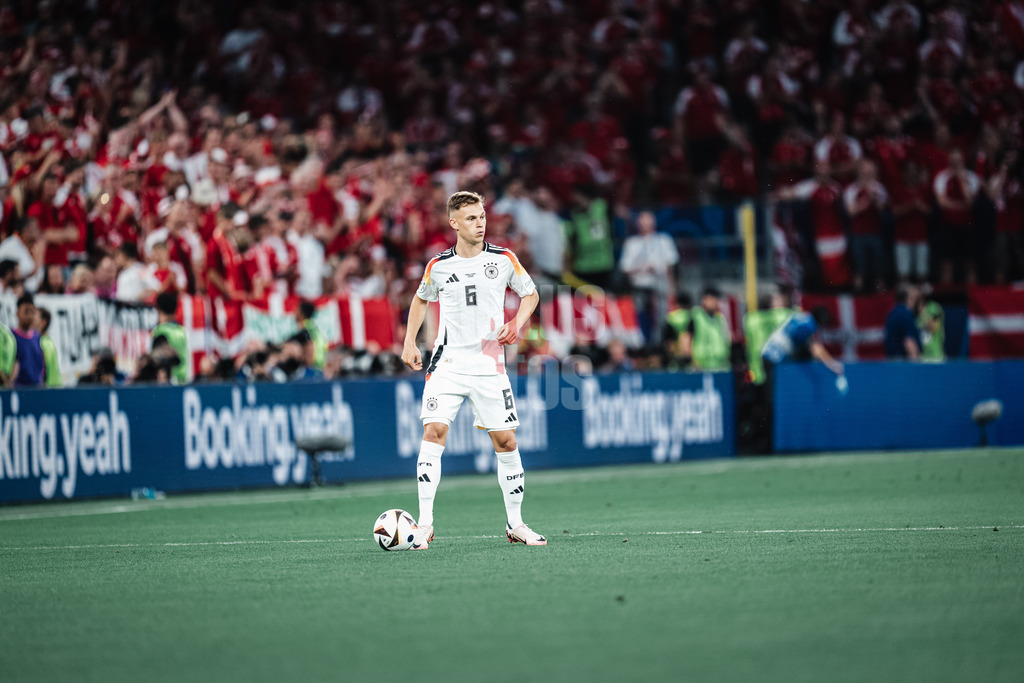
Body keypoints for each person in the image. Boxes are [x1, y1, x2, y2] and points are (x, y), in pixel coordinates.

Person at [401, 190, 545, 548]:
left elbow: (531, 294)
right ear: (454, 223)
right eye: (470, 218)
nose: (479, 223)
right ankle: (424, 525)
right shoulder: (438, 265)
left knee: (506, 441)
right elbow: (420, 299)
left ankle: (516, 524)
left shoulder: (504, 259)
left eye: (481, 217)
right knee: (433, 433)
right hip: (447, 363)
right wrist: (408, 342)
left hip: (488, 363)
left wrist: (518, 322)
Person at [618, 211, 678, 347]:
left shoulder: (664, 240)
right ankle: (643, 347)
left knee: (661, 319)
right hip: (639, 286)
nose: (646, 224)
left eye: (648, 221)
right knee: (640, 319)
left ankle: (659, 346)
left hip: (660, 286)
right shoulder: (632, 243)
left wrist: (672, 289)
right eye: (642, 221)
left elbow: (670, 266)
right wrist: (642, 267)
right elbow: (625, 267)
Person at [680, 286, 731, 371]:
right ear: (704, 299)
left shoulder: (719, 319)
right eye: (712, 299)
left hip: (720, 365)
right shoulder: (695, 317)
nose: (715, 302)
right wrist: (692, 361)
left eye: (716, 299)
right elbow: (686, 340)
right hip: (701, 367)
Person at [152, 290, 191, 384]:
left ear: (159, 311)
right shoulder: (183, 331)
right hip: (184, 381)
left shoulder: (159, 331)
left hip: (168, 382)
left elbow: (157, 360)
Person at [11, 293, 45, 387]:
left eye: (32, 311)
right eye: (26, 311)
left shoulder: (37, 337)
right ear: (17, 313)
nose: (30, 316)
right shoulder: (11, 336)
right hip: (19, 389)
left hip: (37, 389)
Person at [884, 285, 922, 360]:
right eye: (914, 298)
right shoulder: (906, 314)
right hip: (903, 364)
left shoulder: (891, 312)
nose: (916, 302)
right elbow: (909, 343)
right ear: (908, 298)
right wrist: (917, 367)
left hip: (891, 362)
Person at [295, 300, 327, 371]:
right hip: (320, 366)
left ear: (301, 313)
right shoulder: (314, 327)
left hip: (312, 367)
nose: (294, 313)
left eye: (296, 310)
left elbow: (310, 346)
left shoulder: (305, 328)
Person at [36, 307, 62, 387]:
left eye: (35, 316)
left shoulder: (42, 342)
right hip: (54, 388)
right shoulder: (48, 341)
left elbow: (44, 369)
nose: (31, 318)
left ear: (43, 322)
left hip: (48, 390)